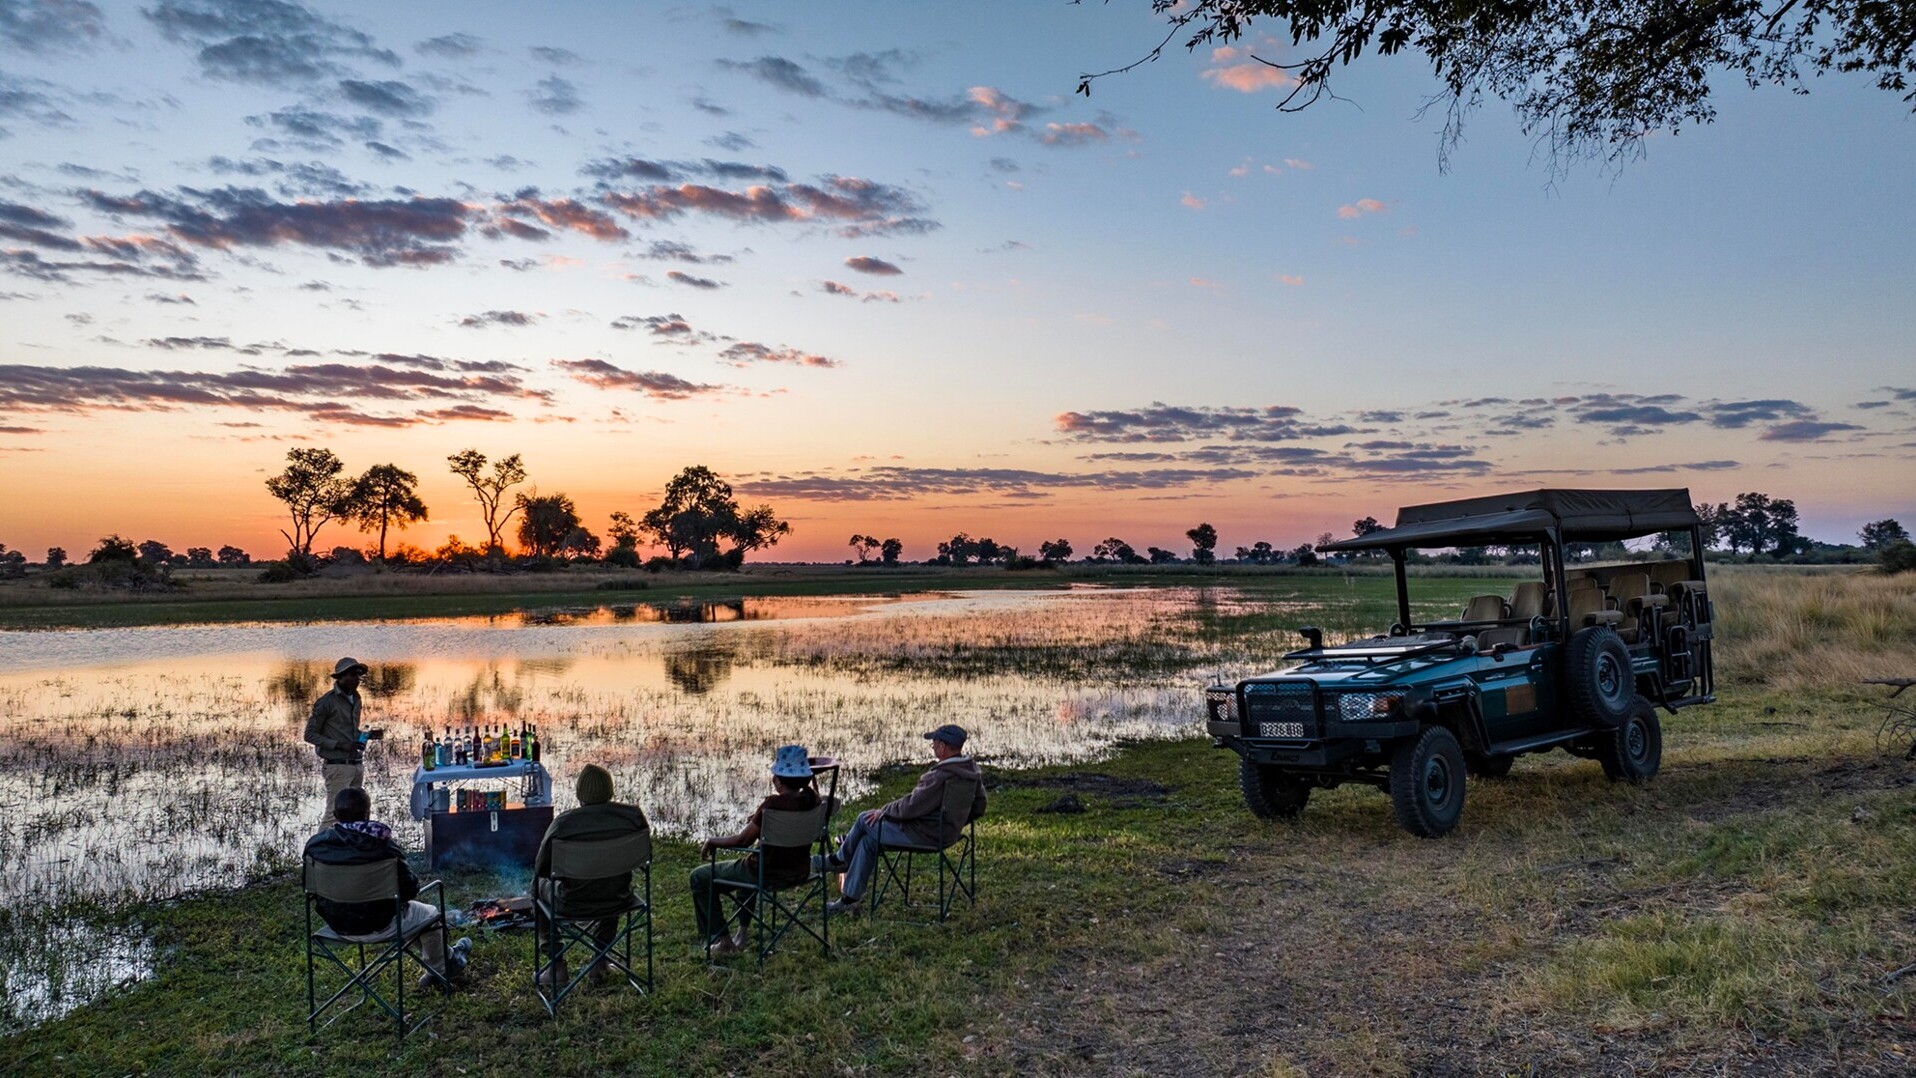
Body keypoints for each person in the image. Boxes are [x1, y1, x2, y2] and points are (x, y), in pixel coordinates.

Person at [304, 786, 469, 988]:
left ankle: (448, 958)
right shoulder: (383, 847)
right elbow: (409, 890)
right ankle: (443, 968)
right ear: (367, 813)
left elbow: (309, 890)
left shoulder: (315, 847)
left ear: (336, 815)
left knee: (414, 914)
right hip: (382, 924)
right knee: (429, 914)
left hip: (337, 925)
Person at [824, 724, 986, 916]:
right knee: (868, 841)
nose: (932, 747)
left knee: (863, 819)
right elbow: (979, 806)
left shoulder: (939, 776)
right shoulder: (970, 771)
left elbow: (910, 806)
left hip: (924, 835)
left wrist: (884, 811)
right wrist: (953, 822)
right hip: (948, 834)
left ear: (943, 747)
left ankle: (839, 859)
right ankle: (848, 899)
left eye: (934, 743)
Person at [692, 745, 821, 954]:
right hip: (799, 871)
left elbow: (742, 841)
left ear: (777, 780)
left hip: (767, 874)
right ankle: (741, 935)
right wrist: (760, 821)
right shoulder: (813, 801)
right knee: (752, 863)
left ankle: (723, 941)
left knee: (699, 877)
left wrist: (713, 841)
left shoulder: (772, 805)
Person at [533, 764, 651, 988]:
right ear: (610, 791)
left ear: (580, 795)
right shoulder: (633, 817)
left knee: (536, 884)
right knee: (612, 878)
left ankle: (557, 964)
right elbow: (646, 858)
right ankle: (600, 960)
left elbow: (541, 869)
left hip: (572, 902)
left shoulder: (563, 824)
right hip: (618, 899)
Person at [303, 656, 370, 829]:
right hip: (337, 766)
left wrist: (367, 735)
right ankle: (317, 852)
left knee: (357, 815)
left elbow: (349, 732)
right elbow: (309, 735)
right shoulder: (326, 702)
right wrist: (339, 745)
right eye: (352, 675)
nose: (357, 679)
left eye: (358, 674)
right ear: (340, 677)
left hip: (355, 764)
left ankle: (349, 851)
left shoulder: (356, 699)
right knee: (334, 814)